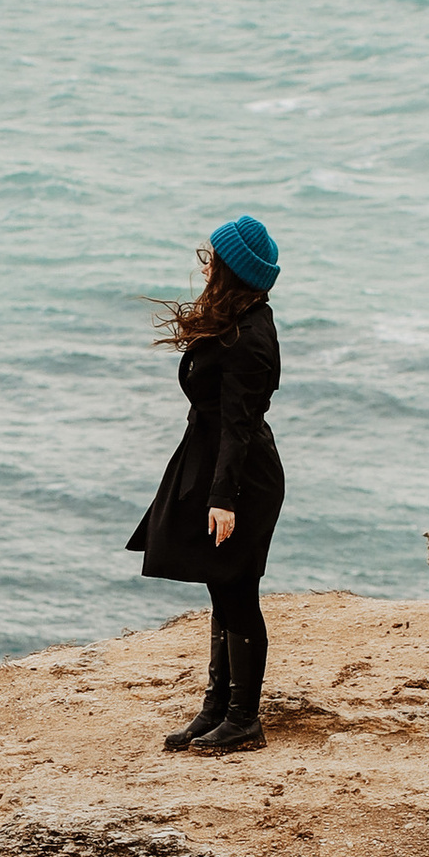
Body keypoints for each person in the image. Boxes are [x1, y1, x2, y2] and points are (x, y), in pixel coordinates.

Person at [127, 214, 284, 756]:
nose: (207, 264)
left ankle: (244, 719)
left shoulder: (249, 336)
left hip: (240, 476)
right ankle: (217, 709)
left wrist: (223, 499)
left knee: (237, 591)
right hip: (217, 461)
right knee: (224, 590)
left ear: (232, 270)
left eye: (215, 259)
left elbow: (239, 426)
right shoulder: (238, 319)